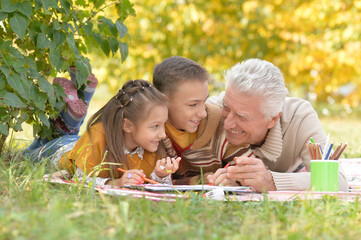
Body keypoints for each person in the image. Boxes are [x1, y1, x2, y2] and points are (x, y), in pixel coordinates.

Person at [207, 58, 348, 192]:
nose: (227, 123)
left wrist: (271, 181)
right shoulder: (207, 112)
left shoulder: (299, 116)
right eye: (226, 107)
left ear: (273, 119)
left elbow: (338, 180)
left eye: (242, 116)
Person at [24, 77, 180, 187]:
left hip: (79, 141)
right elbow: (80, 179)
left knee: (63, 131)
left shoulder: (152, 146)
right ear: (127, 125)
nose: (163, 134)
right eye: (155, 126)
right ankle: (80, 99)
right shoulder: (98, 135)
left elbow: (150, 186)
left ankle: (79, 101)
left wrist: (160, 175)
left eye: (163, 125)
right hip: (61, 149)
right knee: (29, 154)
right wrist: (117, 183)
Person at [153, 56, 252, 185]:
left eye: (204, 101)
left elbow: (249, 174)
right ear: (163, 101)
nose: (203, 113)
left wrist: (234, 182)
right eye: (193, 105)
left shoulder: (218, 126)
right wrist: (199, 181)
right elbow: (147, 181)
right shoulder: (149, 132)